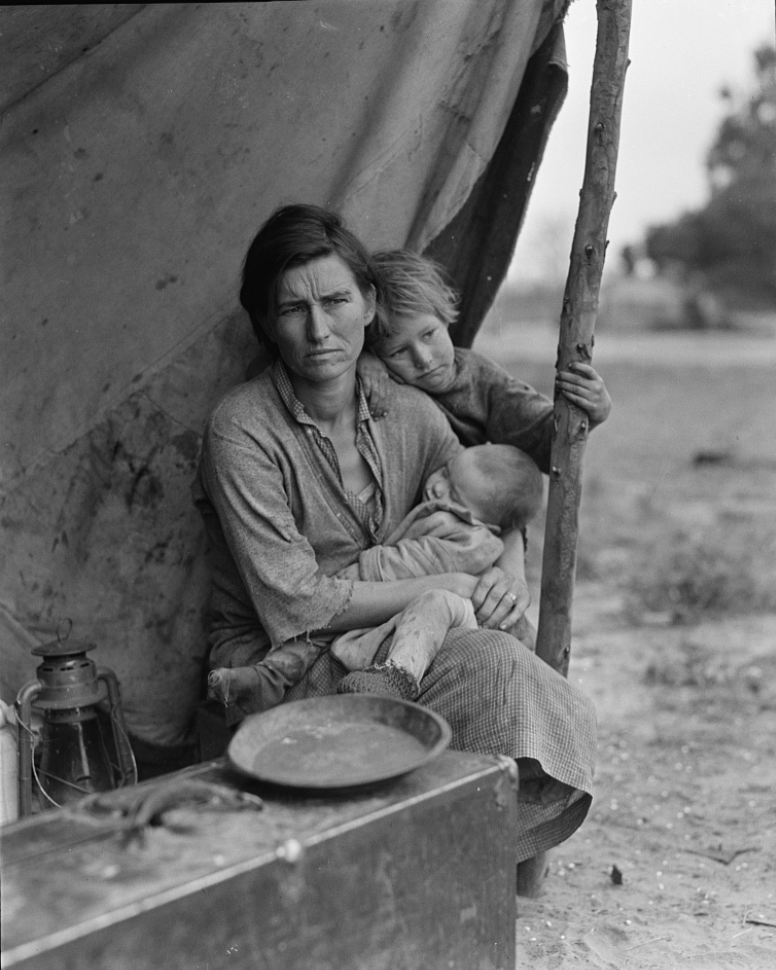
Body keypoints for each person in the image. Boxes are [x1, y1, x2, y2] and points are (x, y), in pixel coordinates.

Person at [194, 203, 596, 865]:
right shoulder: (242, 430)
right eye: (293, 309)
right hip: (283, 663)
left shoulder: (411, 413)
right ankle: (412, 859)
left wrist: (507, 571)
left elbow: (484, 504)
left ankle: (441, 861)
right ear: (265, 322)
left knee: (505, 647)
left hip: (395, 650)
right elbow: (294, 602)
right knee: (493, 662)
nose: (319, 329)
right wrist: (452, 583)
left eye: (335, 301)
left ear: (368, 305)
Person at [358, 248, 612, 628]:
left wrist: (592, 412)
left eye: (429, 334)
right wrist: (365, 362)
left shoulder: (480, 379)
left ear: (445, 316)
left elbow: (545, 439)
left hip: (466, 528)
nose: (423, 359)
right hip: (403, 534)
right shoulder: (380, 381)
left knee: (501, 619)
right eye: (398, 351)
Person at [331, 443, 543, 699]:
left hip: (469, 616)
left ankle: (398, 677)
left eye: (453, 495)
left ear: (486, 523)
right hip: (463, 618)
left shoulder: (470, 540)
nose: (438, 487)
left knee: (436, 603)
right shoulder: (450, 510)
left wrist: (363, 571)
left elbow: (413, 562)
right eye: (445, 471)